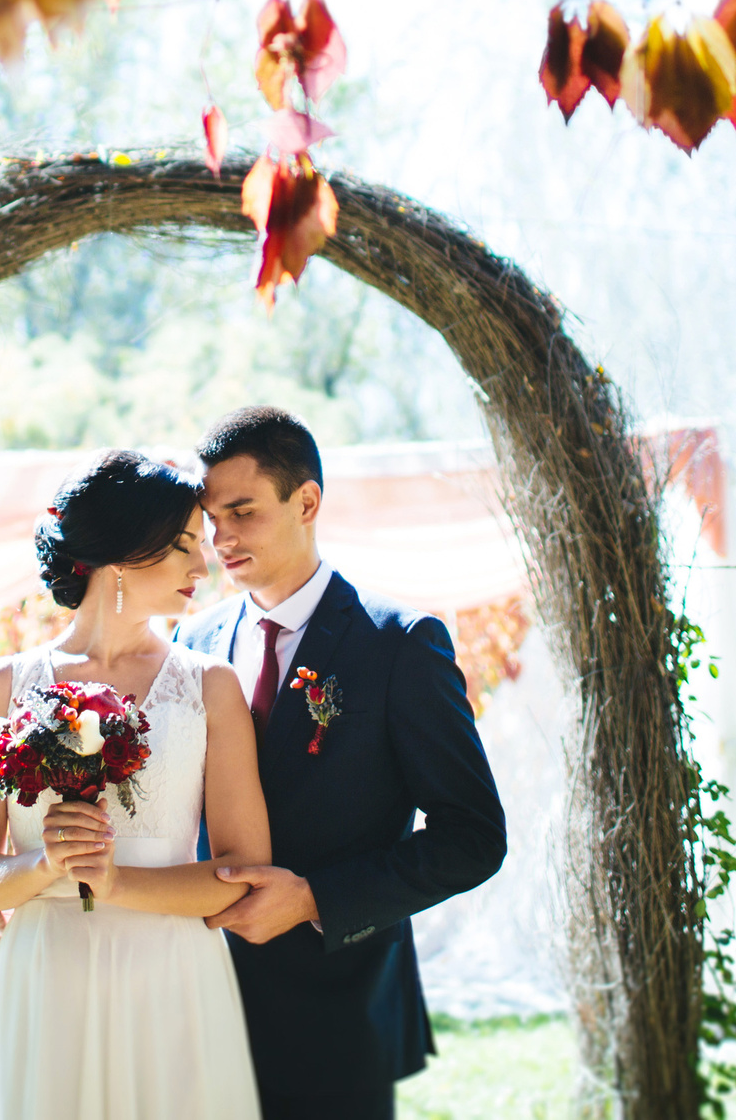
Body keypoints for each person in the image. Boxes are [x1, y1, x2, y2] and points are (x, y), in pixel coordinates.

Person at [176, 406, 508, 1120]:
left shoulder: (399, 643)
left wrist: (312, 898)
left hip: (338, 1009)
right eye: (210, 517)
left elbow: (473, 835)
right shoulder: (190, 639)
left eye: (241, 510)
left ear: (307, 501)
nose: (220, 538)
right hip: (198, 996)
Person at [0, 450, 270, 1120]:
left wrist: (116, 881)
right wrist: (45, 863)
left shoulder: (209, 687)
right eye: (183, 545)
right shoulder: (6, 686)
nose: (201, 566)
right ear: (121, 554)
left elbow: (244, 873)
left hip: (172, 975)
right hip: (47, 975)